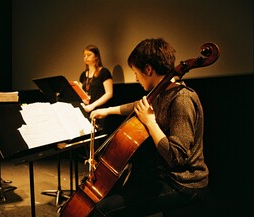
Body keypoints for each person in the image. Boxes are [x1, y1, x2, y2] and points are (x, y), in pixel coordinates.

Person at [89, 38, 209, 216]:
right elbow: (136, 105)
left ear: (148, 69)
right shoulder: (160, 94)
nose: (136, 78)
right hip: (163, 175)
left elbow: (177, 159)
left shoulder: (182, 99)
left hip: (184, 184)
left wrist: (150, 122)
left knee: (103, 210)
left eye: (136, 72)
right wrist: (106, 111)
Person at [79, 44, 113, 132]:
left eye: (89, 55)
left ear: (96, 56)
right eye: (84, 55)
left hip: (100, 112)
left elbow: (109, 93)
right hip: (87, 111)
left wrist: (92, 106)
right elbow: (80, 92)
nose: (86, 57)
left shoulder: (104, 72)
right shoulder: (83, 74)